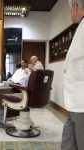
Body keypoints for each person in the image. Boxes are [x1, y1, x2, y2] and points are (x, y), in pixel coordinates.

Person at [61, 0, 84, 150]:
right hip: (74, 98)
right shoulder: (81, 27)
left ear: (75, 7)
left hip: (81, 99)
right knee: (69, 137)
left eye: (70, 10)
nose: (70, 14)